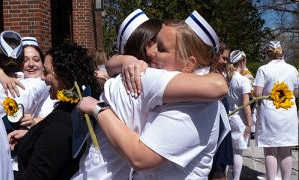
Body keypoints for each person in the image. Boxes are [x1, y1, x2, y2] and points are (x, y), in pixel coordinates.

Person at [75, 10, 229, 179]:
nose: (150, 53)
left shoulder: (197, 104)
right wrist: (127, 60)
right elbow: (111, 65)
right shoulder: (159, 79)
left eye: (161, 48)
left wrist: (98, 108)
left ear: (188, 64)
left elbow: (140, 158)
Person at [11, 42, 102, 180]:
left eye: (46, 72)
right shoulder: (70, 107)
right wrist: (31, 136)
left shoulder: (63, 123)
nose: (42, 78)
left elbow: (35, 176)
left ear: (63, 76)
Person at [0, 31, 49, 180]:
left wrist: (37, 121)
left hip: (29, 159)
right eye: (25, 60)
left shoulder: (40, 84)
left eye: (36, 59)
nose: (31, 64)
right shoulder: (15, 78)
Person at [253, 41, 298, 180]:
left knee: (270, 150)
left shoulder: (263, 69)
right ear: (282, 53)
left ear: (268, 54)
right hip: (288, 111)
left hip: (271, 113)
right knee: (286, 150)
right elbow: (296, 93)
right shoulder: (293, 69)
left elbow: (257, 93)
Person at [208, 43, 233, 180]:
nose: (225, 61)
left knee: (220, 168)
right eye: (223, 58)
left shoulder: (219, 73)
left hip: (222, 124)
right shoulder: (208, 74)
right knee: (216, 167)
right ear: (215, 56)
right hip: (214, 126)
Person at [226, 50, 252, 180]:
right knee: (238, 153)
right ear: (242, 61)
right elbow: (246, 105)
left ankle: (227, 177)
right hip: (240, 119)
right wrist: (249, 123)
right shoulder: (243, 80)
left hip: (228, 116)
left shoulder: (227, 77)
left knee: (229, 150)